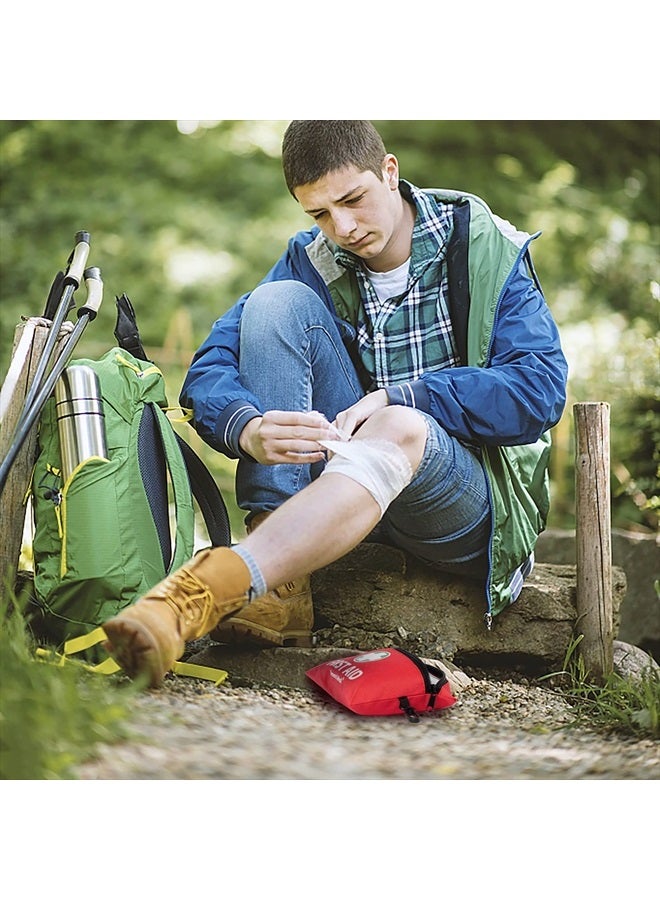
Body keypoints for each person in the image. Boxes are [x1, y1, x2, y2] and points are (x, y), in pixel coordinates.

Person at [103, 120, 568, 688]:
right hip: (345, 493)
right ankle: (281, 591)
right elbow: (211, 366)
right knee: (275, 304)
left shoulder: (486, 245)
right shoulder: (314, 258)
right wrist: (245, 427)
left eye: (353, 200)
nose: (342, 227)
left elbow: (538, 390)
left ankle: (204, 591)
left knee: (397, 423)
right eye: (319, 214)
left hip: (468, 506)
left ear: (390, 172)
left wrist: (406, 397)